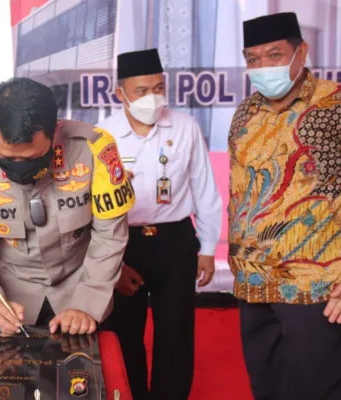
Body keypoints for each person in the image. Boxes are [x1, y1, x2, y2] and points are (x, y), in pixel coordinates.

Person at [228, 12, 341, 399]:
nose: (262, 67)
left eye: (274, 55)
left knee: (318, 389)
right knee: (268, 387)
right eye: (253, 59)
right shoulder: (245, 113)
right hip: (253, 285)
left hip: (320, 286)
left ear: (301, 52)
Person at [0, 77, 135, 337]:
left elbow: (110, 236)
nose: (18, 166)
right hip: (12, 299)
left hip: (81, 284)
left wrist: (87, 305)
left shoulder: (94, 151)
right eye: (6, 158)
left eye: (30, 158)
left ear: (54, 133)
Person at [97, 48, 222, 400]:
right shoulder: (102, 136)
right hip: (122, 244)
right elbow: (93, 206)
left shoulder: (184, 127)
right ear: (120, 93)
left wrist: (209, 248)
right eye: (141, 91)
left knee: (176, 333)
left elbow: (205, 189)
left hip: (175, 241)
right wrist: (113, 264)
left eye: (157, 88)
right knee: (123, 332)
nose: (152, 98)